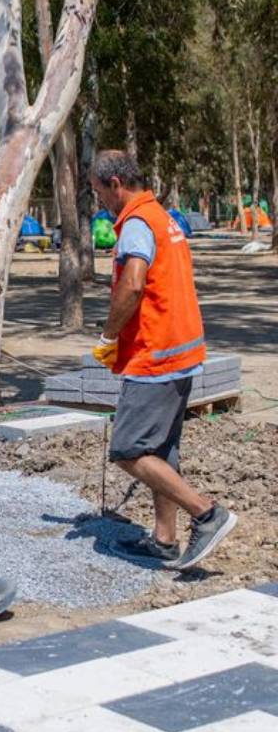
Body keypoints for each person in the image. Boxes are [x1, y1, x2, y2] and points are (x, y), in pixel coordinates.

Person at [90, 150, 236, 571]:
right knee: (161, 449)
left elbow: (133, 285)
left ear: (116, 184)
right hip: (182, 350)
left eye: (99, 191)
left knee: (128, 449)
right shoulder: (163, 217)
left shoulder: (136, 224)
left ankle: (207, 513)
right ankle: (164, 539)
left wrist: (109, 335)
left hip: (155, 356)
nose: (99, 199)